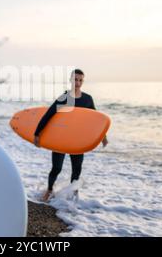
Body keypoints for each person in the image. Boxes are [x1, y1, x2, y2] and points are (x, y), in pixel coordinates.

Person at [33, 69, 108, 202]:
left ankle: (73, 195)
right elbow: (49, 115)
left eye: (80, 80)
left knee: (77, 169)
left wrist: (103, 136)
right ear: (70, 80)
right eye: (75, 79)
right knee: (56, 168)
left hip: (77, 140)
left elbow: (95, 120)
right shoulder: (65, 97)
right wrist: (37, 133)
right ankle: (49, 190)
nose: (78, 83)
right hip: (61, 139)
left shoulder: (87, 99)